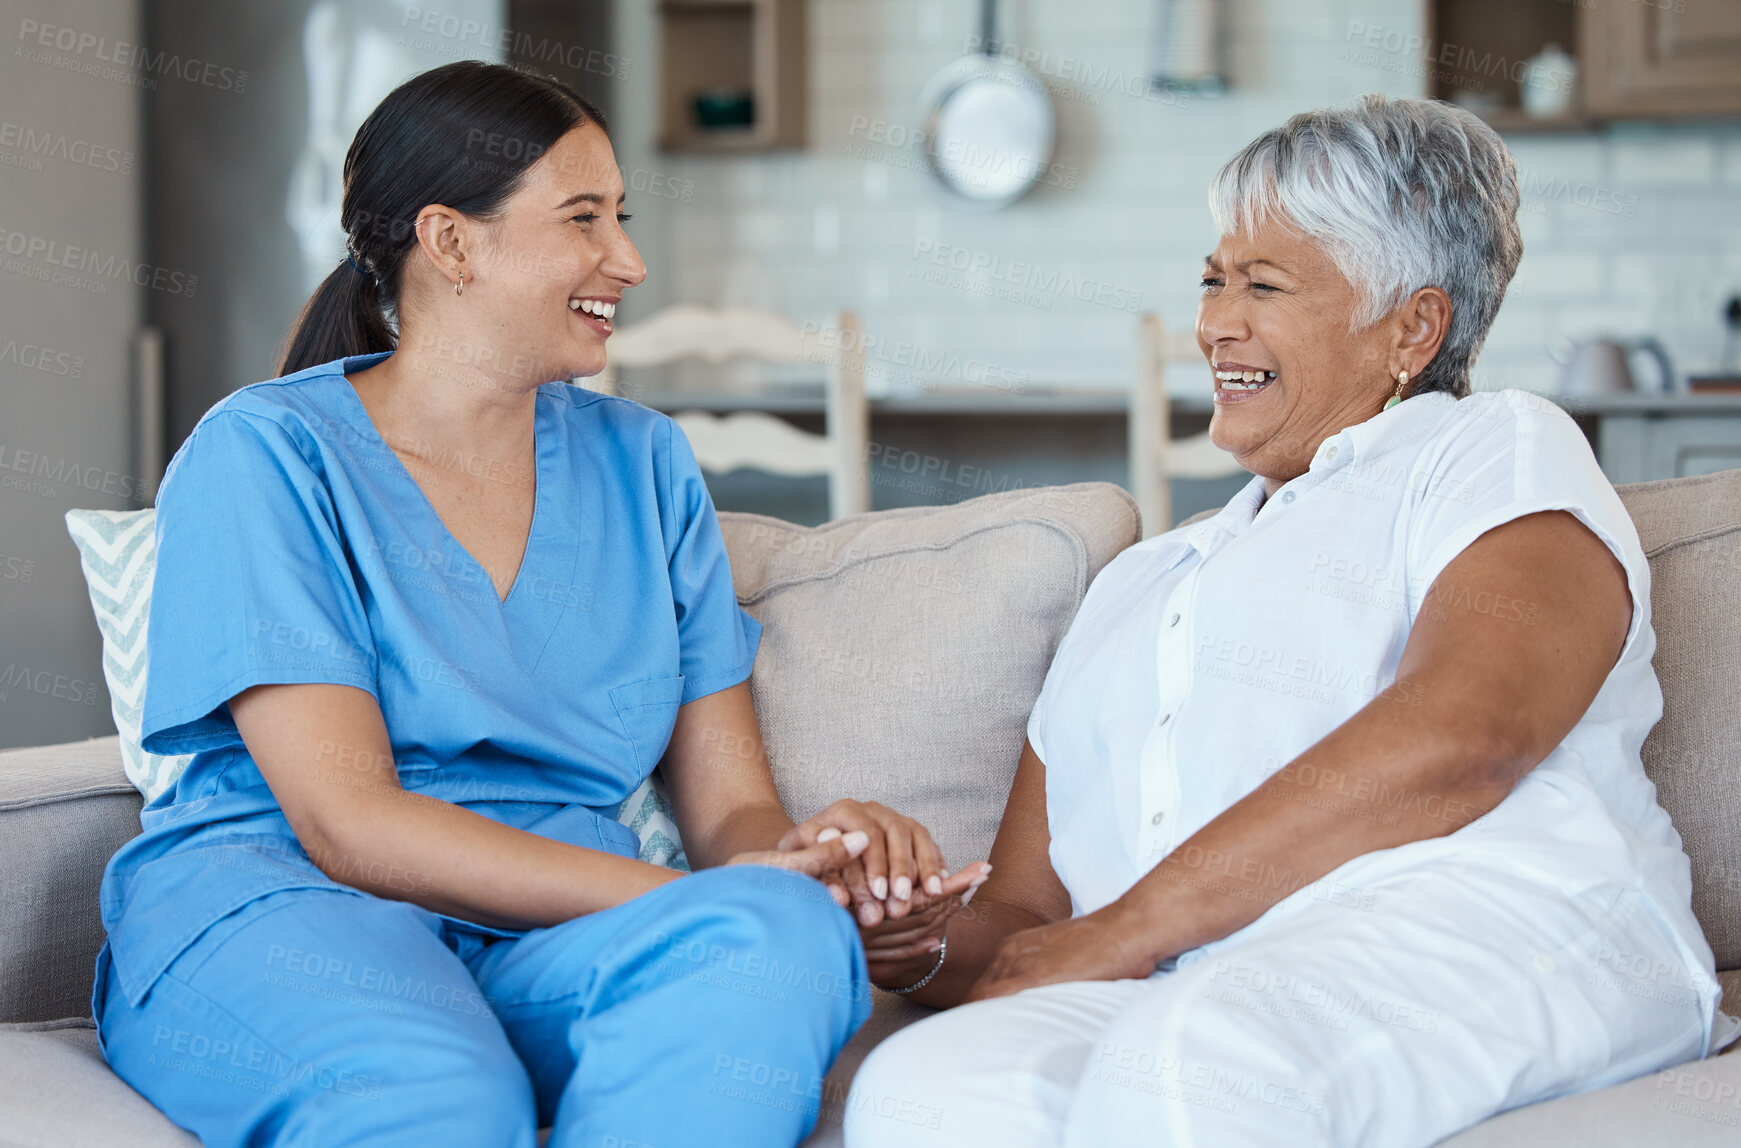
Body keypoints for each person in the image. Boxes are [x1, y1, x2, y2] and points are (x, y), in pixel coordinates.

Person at [92, 61, 984, 1148]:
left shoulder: (645, 465)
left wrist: (809, 863)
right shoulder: (267, 452)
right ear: (451, 242)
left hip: (552, 928)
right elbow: (349, 823)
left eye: (622, 216)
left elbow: (730, 810)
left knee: (781, 928)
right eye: (584, 219)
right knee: (440, 1101)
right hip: (291, 906)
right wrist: (670, 901)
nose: (630, 259)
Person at [842, 93, 1739, 1148]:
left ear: (1412, 326)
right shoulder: (1140, 581)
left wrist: (1132, 926)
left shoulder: (1489, 450)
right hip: (1199, 975)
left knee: (1197, 1064)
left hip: (1497, 926)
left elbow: (1473, 728)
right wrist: (921, 939)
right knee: (921, 1088)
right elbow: (1037, 917)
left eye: (1264, 285)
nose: (1217, 322)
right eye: (1214, 280)